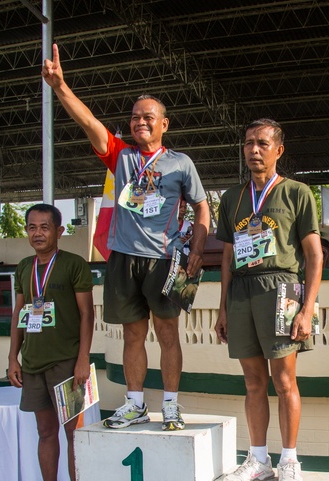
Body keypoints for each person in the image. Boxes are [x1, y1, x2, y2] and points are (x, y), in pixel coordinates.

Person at [42, 44, 211, 432]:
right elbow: (89, 123)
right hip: (122, 257)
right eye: (135, 118)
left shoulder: (181, 163)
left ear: (164, 124)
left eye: (148, 117)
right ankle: (135, 404)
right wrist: (60, 87)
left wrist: (197, 249)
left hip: (164, 259)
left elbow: (202, 207)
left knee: (167, 333)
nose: (140, 123)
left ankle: (170, 404)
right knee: (132, 334)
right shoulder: (121, 157)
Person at [215, 119, 322, 481]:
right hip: (242, 292)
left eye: (262, 143)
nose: (253, 150)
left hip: (281, 289)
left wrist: (307, 308)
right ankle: (258, 459)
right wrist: (223, 307)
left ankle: (289, 460)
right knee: (253, 382)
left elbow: (313, 255)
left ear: (279, 149)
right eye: (248, 143)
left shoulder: (297, 193)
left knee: (284, 380)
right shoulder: (232, 198)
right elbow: (228, 256)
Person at [8, 204, 94, 481]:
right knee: (45, 431)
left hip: (67, 362)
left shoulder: (73, 264)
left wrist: (82, 359)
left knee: (73, 433)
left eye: (45, 227)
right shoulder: (23, 267)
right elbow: (19, 314)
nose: (38, 233)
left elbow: (88, 314)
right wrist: (12, 357)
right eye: (32, 227)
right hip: (32, 363)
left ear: (59, 231)